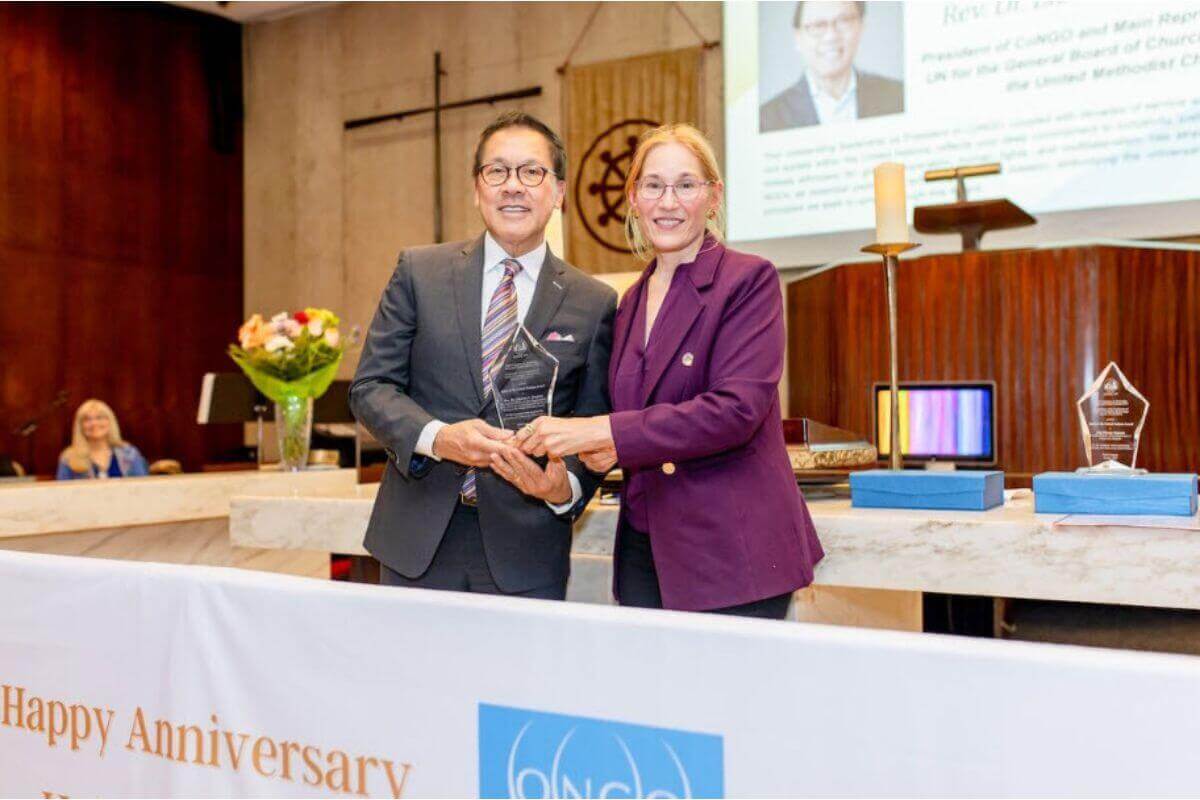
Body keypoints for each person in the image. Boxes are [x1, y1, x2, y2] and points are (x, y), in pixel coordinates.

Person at [513, 124, 824, 619]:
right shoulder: (630, 300)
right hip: (645, 550)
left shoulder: (748, 280)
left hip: (731, 555)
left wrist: (604, 431)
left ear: (713, 197)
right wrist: (597, 452)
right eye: (653, 185)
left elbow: (735, 411)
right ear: (633, 198)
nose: (668, 201)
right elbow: (637, 421)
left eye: (686, 185)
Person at [349, 111, 617, 601]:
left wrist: (564, 488)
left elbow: (593, 424)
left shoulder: (593, 302)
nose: (513, 186)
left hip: (527, 550)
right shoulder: (419, 271)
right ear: (477, 189)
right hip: (416, 543)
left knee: (515, 682)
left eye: (531, 172)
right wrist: (439, 438)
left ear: (557, 192)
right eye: (497, 171)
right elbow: (371, 388)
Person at [760, 1, 904, 132]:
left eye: (843, 21)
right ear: (798, 37)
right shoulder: (767, 119)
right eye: (818, 25)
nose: (831, 36)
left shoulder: (898, 96)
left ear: (861, 26)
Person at [56, 399, 149, 480]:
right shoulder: (69, 458)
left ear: (110, 422)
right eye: (87, 420)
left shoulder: (129, 454)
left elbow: (143, 488)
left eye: (99, 418)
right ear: (80, 426)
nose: (94, 423)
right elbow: (62, 495)